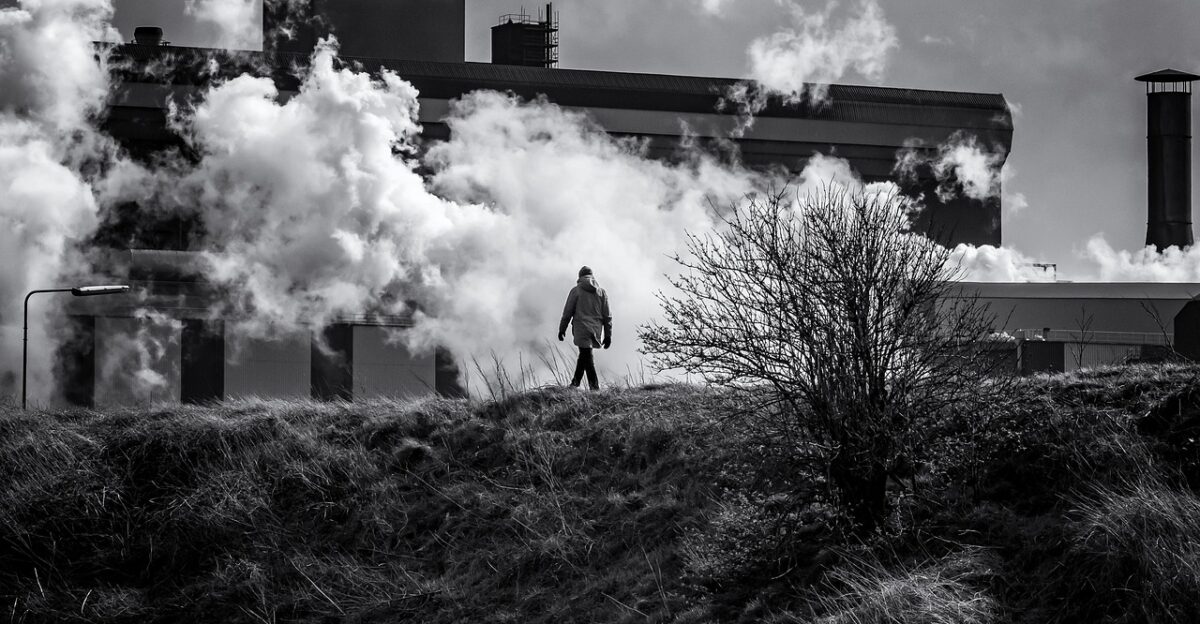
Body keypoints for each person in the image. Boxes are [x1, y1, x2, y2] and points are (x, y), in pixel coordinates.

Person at [558, 265, 611, 390]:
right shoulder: (601, 292)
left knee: (586, 355)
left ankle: (594, 388)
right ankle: (575, 383)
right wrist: (608, 335)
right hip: (595, 329)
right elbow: (607, 316)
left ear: (580, 277)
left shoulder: (576, 291)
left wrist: (562, 329)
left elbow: (568, 312)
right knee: (585, 354)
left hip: (581, 328)